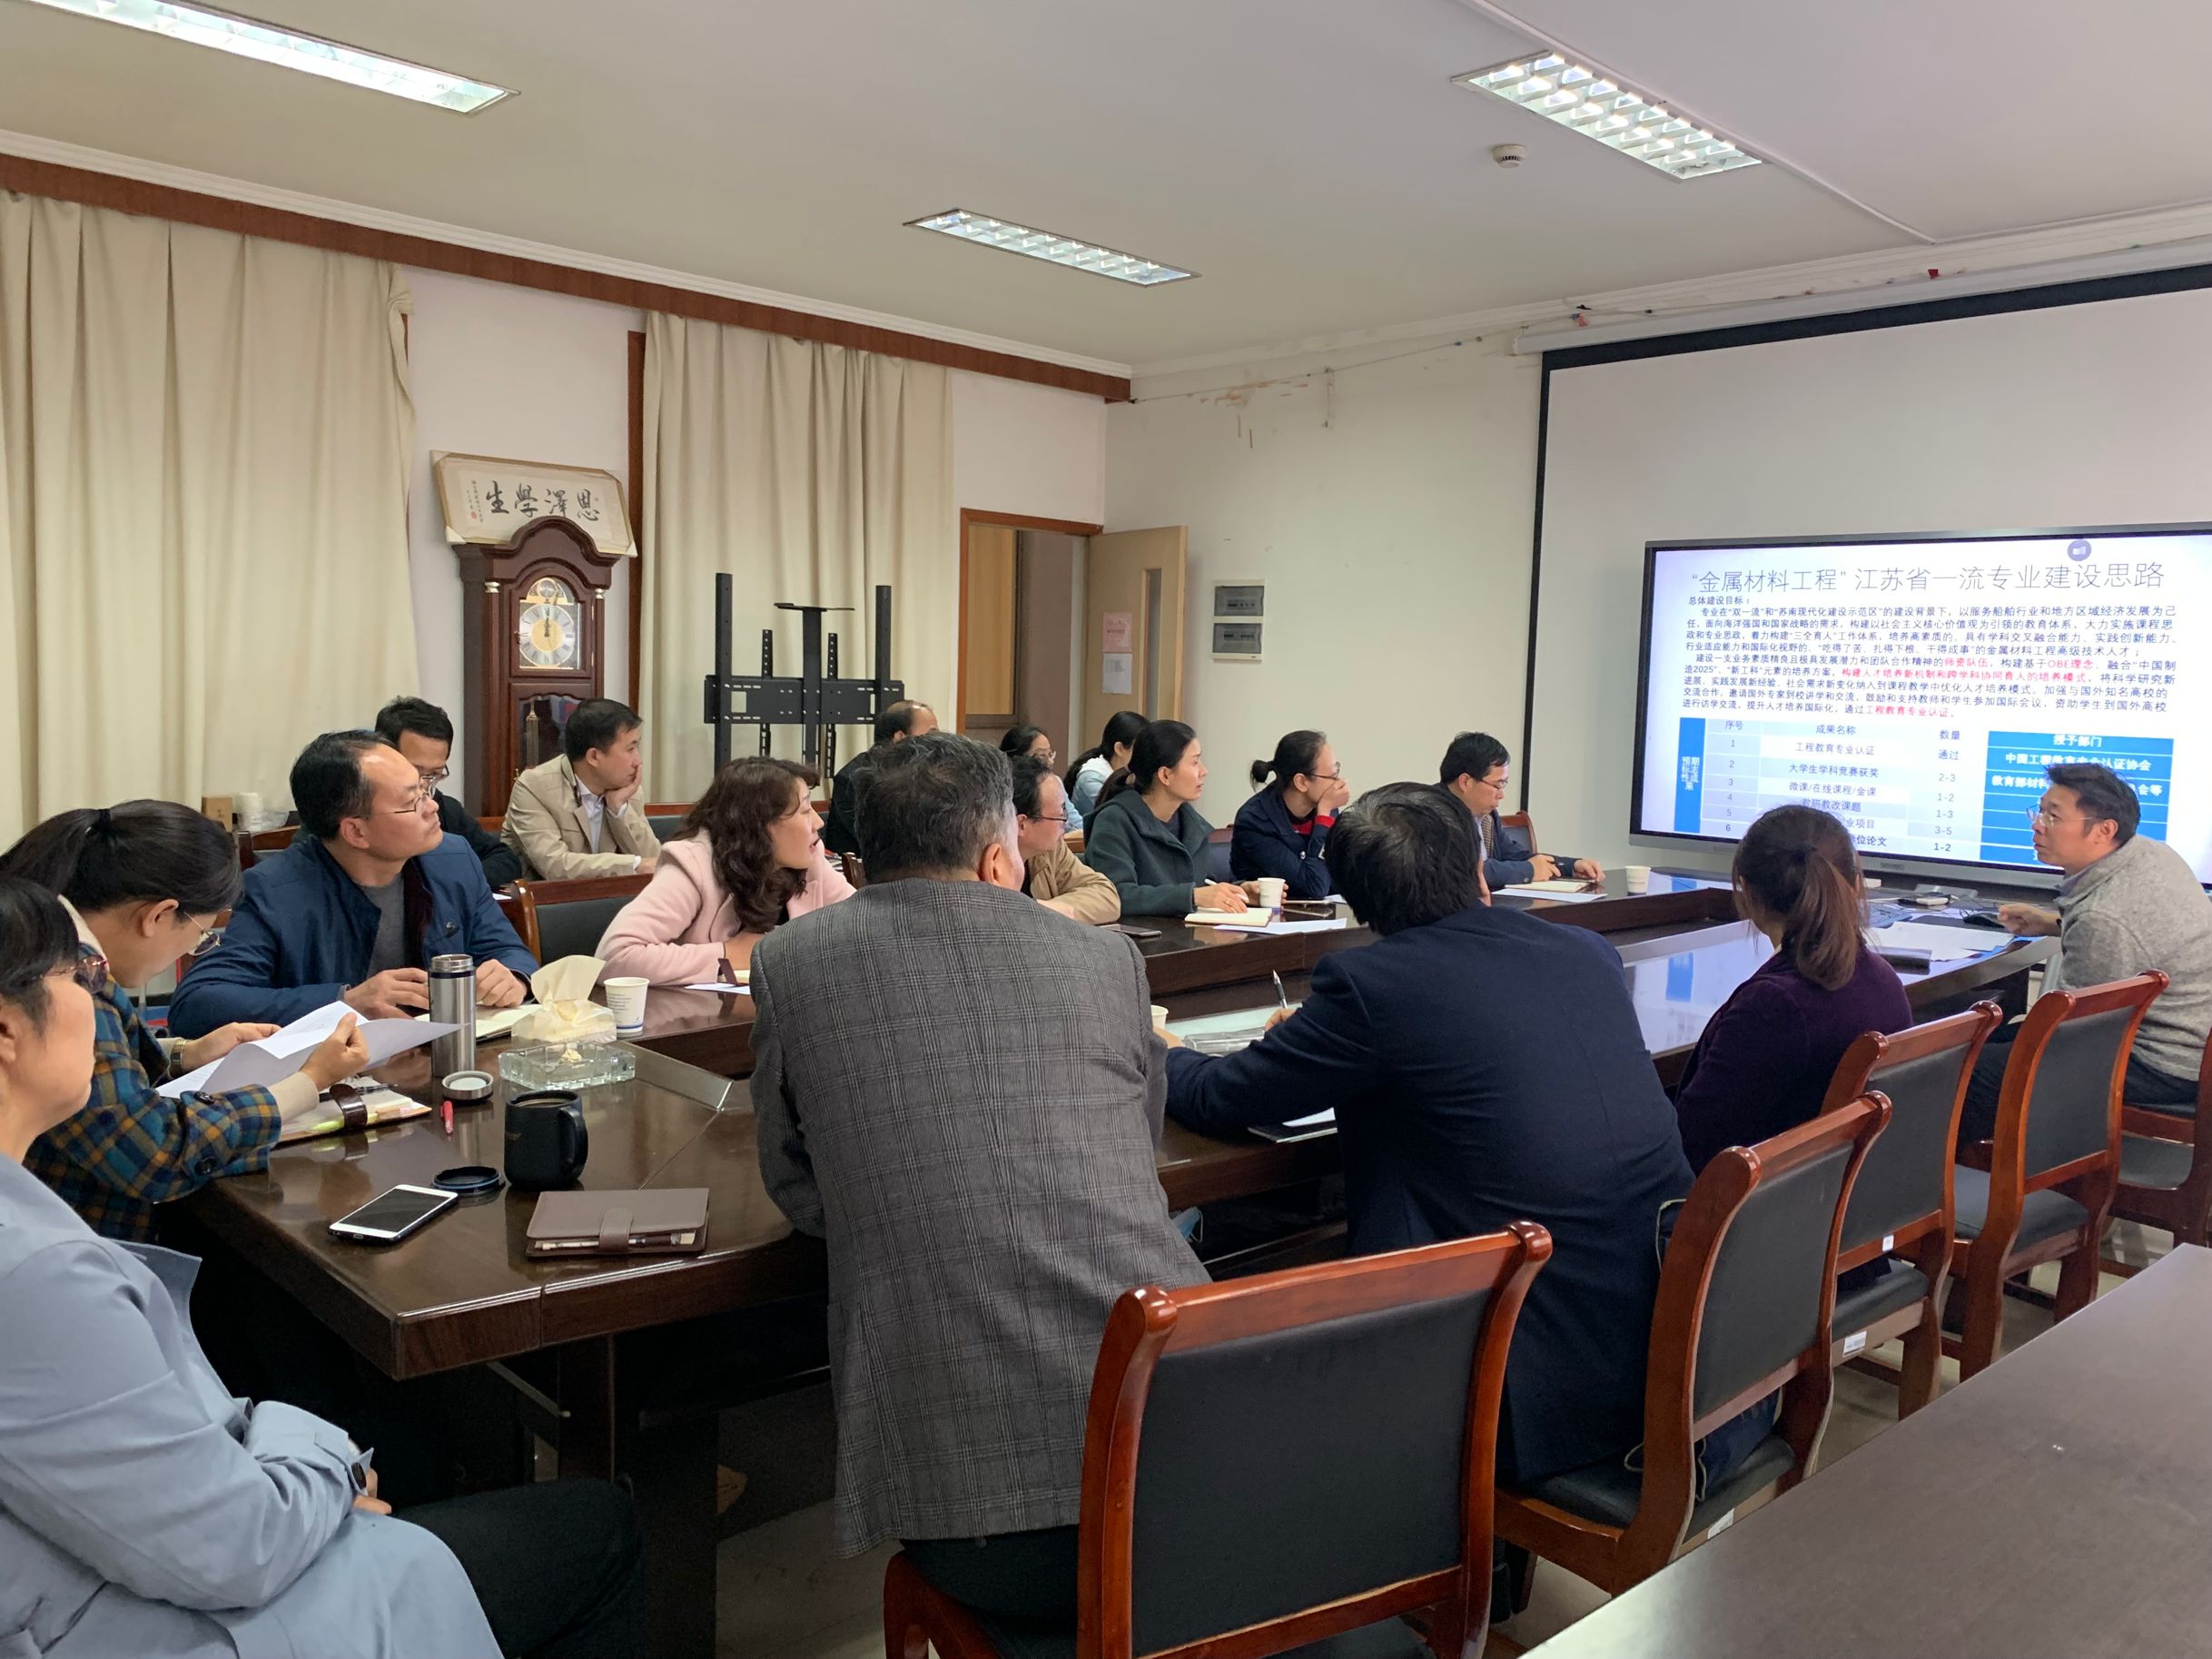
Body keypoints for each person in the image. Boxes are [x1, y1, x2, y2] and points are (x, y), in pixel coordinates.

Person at [0, 875, 646, 1659]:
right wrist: (331, 1463)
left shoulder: (32, 1239)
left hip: (159, 1543)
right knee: (597, 1527)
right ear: (7, 1029)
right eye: (83, 978)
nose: (105, 1006)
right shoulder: (36, 1276)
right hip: (173, 1619)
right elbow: (235, 1545)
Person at [750, 734, 1203, 1618]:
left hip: (972, 1500)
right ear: (1000, 857)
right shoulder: (1105, 958)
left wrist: (902, 1204)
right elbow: (1137, 1151)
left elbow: (794, 1181)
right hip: (1191, 1443)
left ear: (862, 857)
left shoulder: (792, 961)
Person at [1160, 783, 1692, 1490]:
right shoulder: (1584, 952)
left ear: (1362, 905)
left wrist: (1164, 1050)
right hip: (1666, 1342)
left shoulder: (1375, 986)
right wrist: (1321, 1039)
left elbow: (1222, 1097)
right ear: (1477, 868)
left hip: (1520, 1380)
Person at [0, 804, 373, 1240]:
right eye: (201, 936)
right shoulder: (68, 978)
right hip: (65, 1240)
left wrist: (183, 1053)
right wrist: (308, 1082)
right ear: (158, 915)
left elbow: (101, 1075)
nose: (196, 947)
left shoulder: (36, 938)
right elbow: (153, 1153)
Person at [169, 733, 536, 1037]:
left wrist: (514, 977)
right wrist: (345, 1001)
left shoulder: (453, 858)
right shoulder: (275, 890)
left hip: (441, 1058)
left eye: (426, 789)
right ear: (356, 831)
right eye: (412, 801)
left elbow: (508, 950)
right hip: (340, 1074)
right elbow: (198, 1004)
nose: (432, 807)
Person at [1960, 762, 2212, 1140]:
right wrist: (2054, 923)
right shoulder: (2150, 853)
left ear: (2103, 830)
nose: (2037, 825)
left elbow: (2071, 1034)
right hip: (2190, 1042)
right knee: (1978, 1043)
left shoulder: (2103, 920)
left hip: (2158, 1064)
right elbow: (2134, 931)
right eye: (2039, 811)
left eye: (2053, 816)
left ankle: (1960, 1169)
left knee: (1961, 1072)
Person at [1671, 805, 1911, 1173]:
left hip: (1757, 1204)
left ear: (1746, 893)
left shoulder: (1774, 1006)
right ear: (1855, 886)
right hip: (1852, 1196)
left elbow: (1691, 1145)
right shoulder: (1882, 977)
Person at [597, 757, 855, 986]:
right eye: (805, 811)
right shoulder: (694, 865)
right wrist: (726, 954)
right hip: (702, 1018)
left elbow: (860, 926)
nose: (818, 823)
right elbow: (615, 956)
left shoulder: (809, 857)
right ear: (762, 825)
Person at [1081, 721, 1247, 917]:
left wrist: (1240, 891)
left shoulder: (1193, 825)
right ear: (1165, 775)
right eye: (1195, 762)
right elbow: (1115, 896)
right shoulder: (1113, 821)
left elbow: (1203, 885)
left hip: (1186, 931)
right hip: (1138, 934)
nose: (1204, 771)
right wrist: (1191, 897)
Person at [500, 698, 661, 880]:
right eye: (630, 749)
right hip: (546, 897)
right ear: (594, 757)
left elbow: (655, 862)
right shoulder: (534, 787)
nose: (638, 761)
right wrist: (634, 866)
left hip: (614, 896)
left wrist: (619, 810)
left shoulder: (627, 789)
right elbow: (555, 866)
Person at [373, 696, 523, 888]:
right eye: (416, 771)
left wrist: (457, 883)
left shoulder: (444, 808)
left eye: (435, 774)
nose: (425, 787)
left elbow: (504, 859)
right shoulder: (369, 813)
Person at [1438, 731, 1601, 888]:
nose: (1501, 795)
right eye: (1497, 785)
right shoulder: (1432, 815)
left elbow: (1517, 857)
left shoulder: (1487, 817)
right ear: (1465, 782)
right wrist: (1529, 871)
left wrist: (1571, 867)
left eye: (1503, 785)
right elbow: (1465, 871)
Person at [1230, 729, 1349, 899]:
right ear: (1301, 782)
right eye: (1332, 776)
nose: (1339, 783)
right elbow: (1315, 886)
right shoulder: (1255, 821)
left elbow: (1341, 877)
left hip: (1318, 911)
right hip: (1270, 913)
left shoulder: (1325, 807)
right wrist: (1324, 816)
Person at [1009, 755, 1119, 923]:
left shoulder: (1051, 850)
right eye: (1060, 815)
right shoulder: (981, 860)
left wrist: (1039, 910)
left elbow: (1106, 895)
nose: (1066, 823)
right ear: (1021, 824)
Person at [823, 699, 938, 859]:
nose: (938, 742)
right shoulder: (854, 778)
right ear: (900, 737)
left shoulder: (923, 773)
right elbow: (884, 841)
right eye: (932, 735)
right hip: (864, 868)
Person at [1065, 710, 1146, 826]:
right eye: (1139, 749)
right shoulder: (1091, 778)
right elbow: (1124, 819)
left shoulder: (1130, 774)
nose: (1144, 755)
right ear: (1119, 749)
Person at [1001, 725, 1081, 834]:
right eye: (1042, 755)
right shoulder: (1002, 788)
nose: (1050, 761)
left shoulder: (1053, 783)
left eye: (1050, 754)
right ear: (1017, 757)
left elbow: (1076, 823)